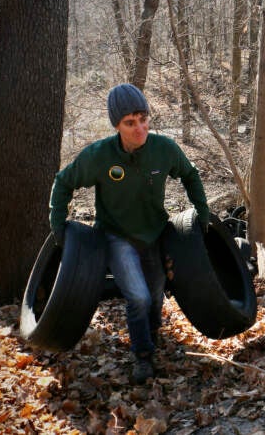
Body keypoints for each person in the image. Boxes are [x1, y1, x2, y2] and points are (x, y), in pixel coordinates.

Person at [49, 83, 210, 384]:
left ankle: (150, 336)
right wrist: (58, 225)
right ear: (117, 125)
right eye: (130, 123)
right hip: (116, 236)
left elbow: (190, 174)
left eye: (143, 118)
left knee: (155, 295)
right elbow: (63, 182)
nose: (140, 128)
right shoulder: (99, 156)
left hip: (154, 234)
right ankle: (143, 356)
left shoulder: (164, 149)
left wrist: (202, 212)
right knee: (137, 297)